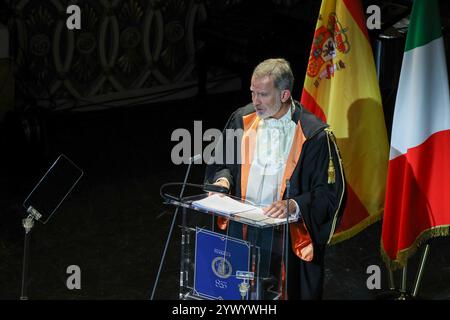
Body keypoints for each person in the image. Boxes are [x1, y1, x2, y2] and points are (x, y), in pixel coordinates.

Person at [204, 58, 346, 300]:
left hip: (285, 236)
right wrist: (223, 181)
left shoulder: (313, 135)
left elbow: (329, 193)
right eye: (253, 93)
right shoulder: (242, 119)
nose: (255, 101)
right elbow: (223, 164)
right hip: (242, 228)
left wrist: (294, 204)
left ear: (284, 95)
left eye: (263, 95)